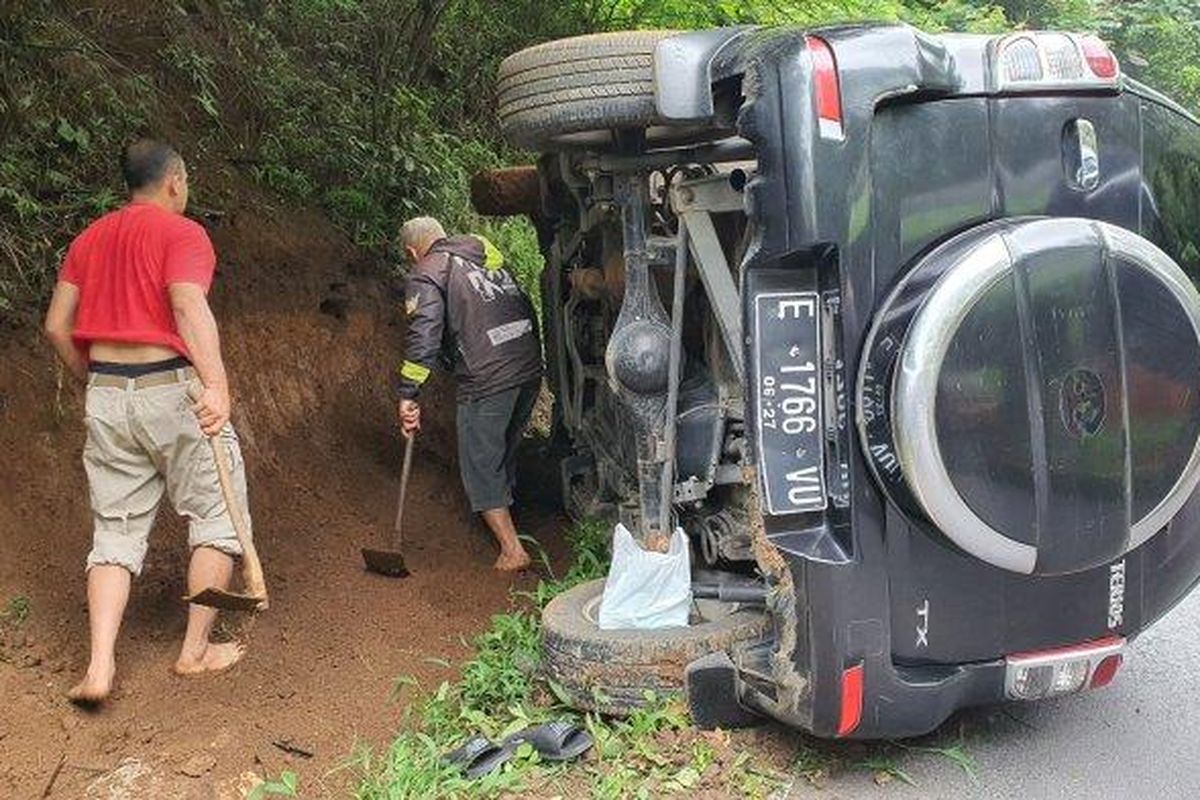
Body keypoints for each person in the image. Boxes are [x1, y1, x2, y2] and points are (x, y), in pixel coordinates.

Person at [42, 139, 251, 705]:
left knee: (114, 532)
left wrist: (95, 379)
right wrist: (217, 385)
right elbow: (187, 305)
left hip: (108, 393)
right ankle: (194, 652)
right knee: (214, 514)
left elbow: (57, 326)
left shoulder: (89, 239)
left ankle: (100, 667)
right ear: (175, 182)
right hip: (171, 388)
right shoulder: (182, 234)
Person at [396, 217, 542, 571]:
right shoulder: (482, 258)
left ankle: (512, 550)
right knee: (502, 447)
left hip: (488, 377)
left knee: (480, 460)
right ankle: (508, 510)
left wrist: (408, 393)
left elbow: (425, 333)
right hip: (527, 366)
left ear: (412, 251)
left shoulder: (427, 270)